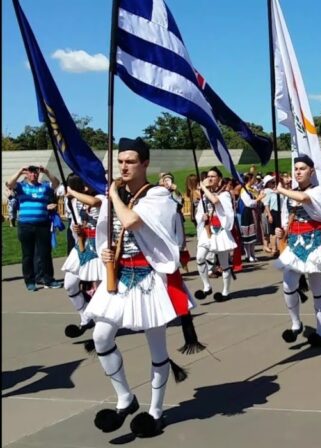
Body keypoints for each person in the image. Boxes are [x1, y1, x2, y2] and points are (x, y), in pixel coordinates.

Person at [84, 137, 202, 438]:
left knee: (157, 348)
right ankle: (125, 398)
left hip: (150, 280)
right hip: (122, 278)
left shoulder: (159, 195)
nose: (123, 166)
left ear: (145, 164)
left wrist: (112, 194)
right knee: (100, 336)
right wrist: (106, 252)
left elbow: (133, 221)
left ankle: (156, 411)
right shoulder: (120, 196)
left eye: (131, 161)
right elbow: (107, 234)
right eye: (120, 161)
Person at [274, 156, 321, 348]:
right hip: (295, 242)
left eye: (302, 168)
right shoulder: (290, 195)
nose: (298, 172)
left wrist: (282, 189)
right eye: (296, 168)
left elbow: (305, 199)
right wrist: (281, 230)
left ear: (311, 171)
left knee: (317, 290)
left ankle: (320, 330)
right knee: (289, 281)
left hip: (315, 242)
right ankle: (296, 323)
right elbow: (286, 218)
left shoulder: (319, 190)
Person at [60, 174, 104, 339]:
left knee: (100, 290)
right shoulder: (71, 201)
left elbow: (93, 203)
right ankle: (85, 317)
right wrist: (76, 231)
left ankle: (103, 327)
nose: (85, 188)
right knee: (69, 284)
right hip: (81, 247)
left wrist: (72, 191)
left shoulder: (101, 197)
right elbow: (74, 225)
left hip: (99, 248)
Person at [6, 165, 63, 290]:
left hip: (42, 224)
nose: (33, 175)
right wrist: (20, 171)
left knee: (45, 253)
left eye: (35, 173)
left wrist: (47, 171)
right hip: (25, 225)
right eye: (30, 173)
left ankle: (48, 279)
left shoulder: (44, 186)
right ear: (27, 175)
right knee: (28, 254)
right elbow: (10, 183)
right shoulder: (21, 187)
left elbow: (57, 183)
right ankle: (30, 281)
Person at [194, 167, 238, 302]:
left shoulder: (224, 193)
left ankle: (225, 291)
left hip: (220, 231)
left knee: (224, 263)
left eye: (213, 176)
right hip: (208, 230)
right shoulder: (204, 195)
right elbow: (199, 212)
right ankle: (207, 286)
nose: (210, 178)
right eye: (208, 176)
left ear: (219, 178)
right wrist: (202, 217)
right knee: (199, 258)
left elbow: (215, 201)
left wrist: (203, 187)